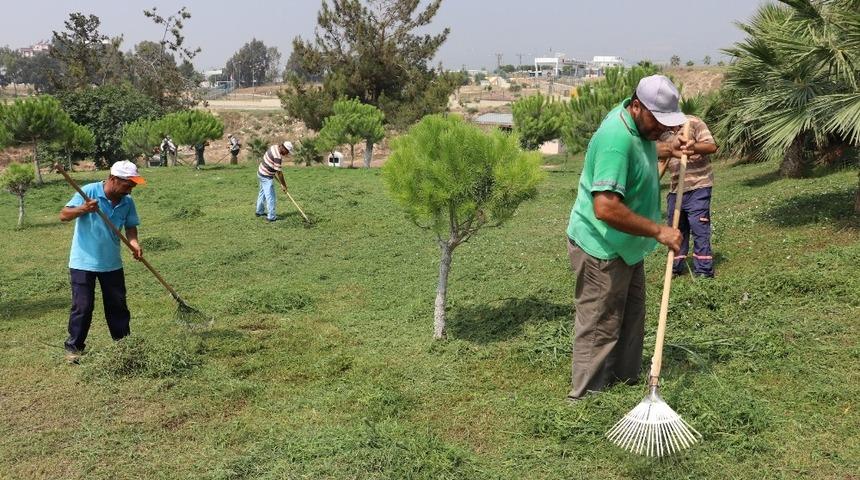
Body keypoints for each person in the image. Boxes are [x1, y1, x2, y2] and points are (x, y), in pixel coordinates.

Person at [565, 74, 691, 401]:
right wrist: (659, 231)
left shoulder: (635, 126)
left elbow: (642, 147)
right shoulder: (614, 139)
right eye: (658, 121)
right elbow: (605, 208)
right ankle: (587, 397)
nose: (662, 128)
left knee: (632, 316)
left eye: (667, 123)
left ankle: (623, 382)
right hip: (601, 247)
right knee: (600, 323)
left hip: (627, 246)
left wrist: (668, 148)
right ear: (637, 106)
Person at [59, 160, 145, 363]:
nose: (131, 189)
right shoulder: (89, 191)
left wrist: (134, 243)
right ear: (113, 179)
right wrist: (83, 208)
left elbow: (131, 226)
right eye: (128, 184)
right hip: (82, 262)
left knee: (117, 305)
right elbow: (64, 215)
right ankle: (74, 349)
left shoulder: (127, 201)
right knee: (83, 306)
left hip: (112, 263)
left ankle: (124, 345)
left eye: (133, 185)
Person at [658, 115, 719, 278]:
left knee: (699, 227)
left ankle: (704, 270)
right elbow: (663, 160)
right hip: (676, 189)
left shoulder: (693, 122)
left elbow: (711, 146)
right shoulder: (661, 129)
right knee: (676, 228)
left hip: (699, 185)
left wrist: (693, 147)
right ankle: (675, 266)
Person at [256, 141, 292, 222]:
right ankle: (271, 217)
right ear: (284, 148)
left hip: (260, 172)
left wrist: (272, 170)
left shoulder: (274, 147)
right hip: (266, 176)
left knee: (262, 193)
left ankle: (259, 211)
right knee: (271, 197)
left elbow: (273, 166)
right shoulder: (278, 157)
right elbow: (279, 173)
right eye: (287, 151)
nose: (287, 154)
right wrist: (284, 185)